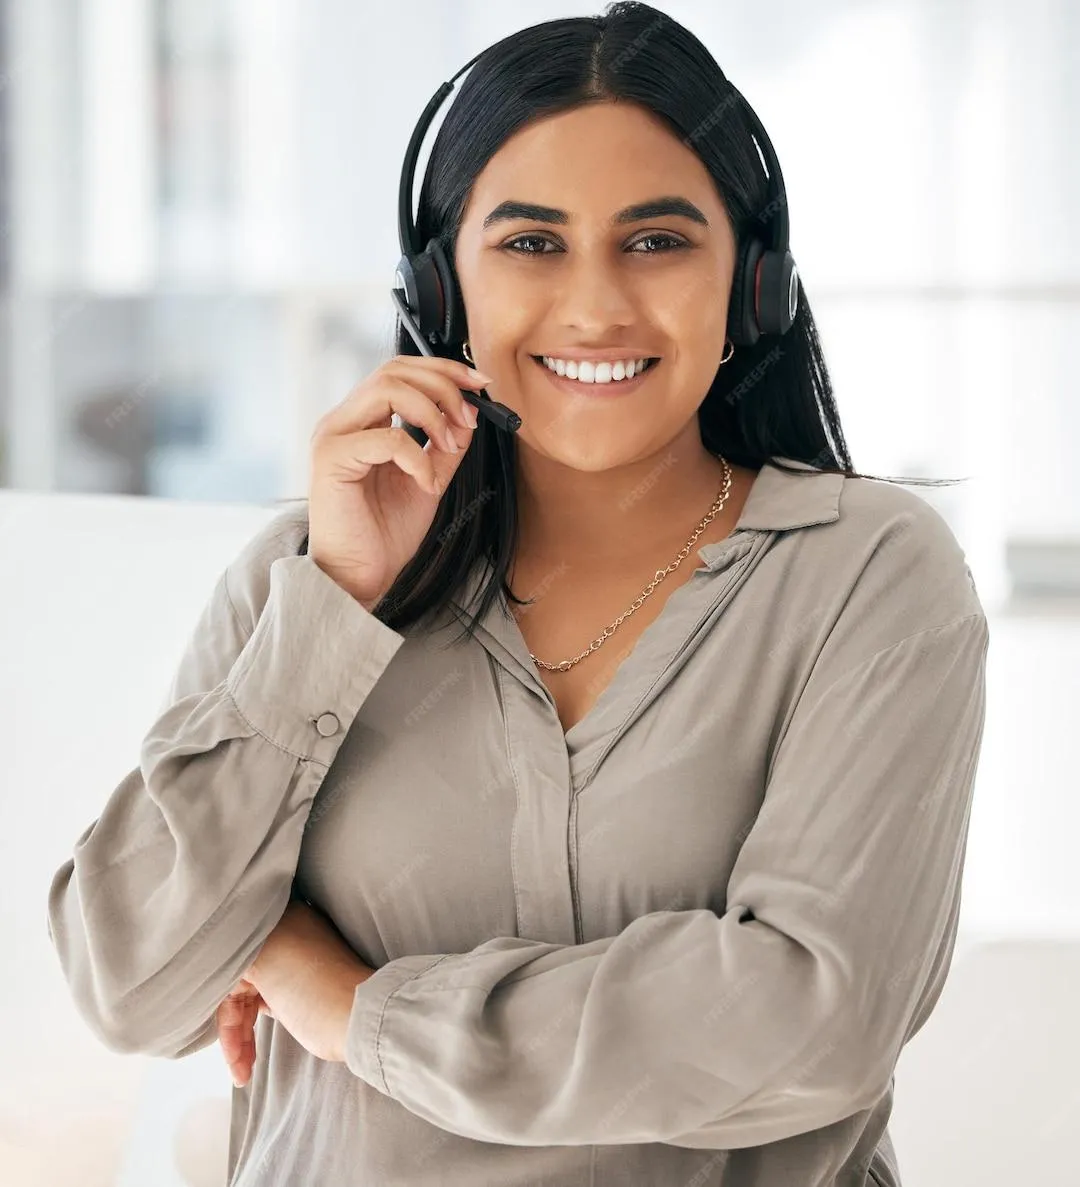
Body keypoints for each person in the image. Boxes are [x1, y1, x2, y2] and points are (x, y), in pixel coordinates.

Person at [45, 4, 989, 1185]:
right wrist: (335, 599)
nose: (595, 306)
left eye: (655, 241)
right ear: (441, 289)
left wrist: (339, 997)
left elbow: (810, 1016)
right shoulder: (309, 572)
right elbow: (132, 983)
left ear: (752, 285)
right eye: (531, 243)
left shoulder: (870, 573)